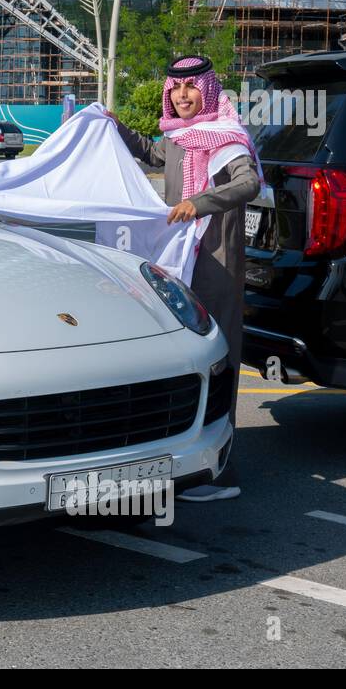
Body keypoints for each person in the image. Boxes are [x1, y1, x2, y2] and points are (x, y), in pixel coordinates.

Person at [113, 55, 261, 502]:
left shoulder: (226, 139)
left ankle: (220, 467)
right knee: (181, 359)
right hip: (178, 262)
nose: (181, 96)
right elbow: (151, 151)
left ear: (208, 90)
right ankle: (180, 458)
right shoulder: (178, 138)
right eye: (175, 88)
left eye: (191, 87)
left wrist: (201, 202)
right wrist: (110, 125)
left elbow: (248, 183)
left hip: (215, 263)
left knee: (218, 358)